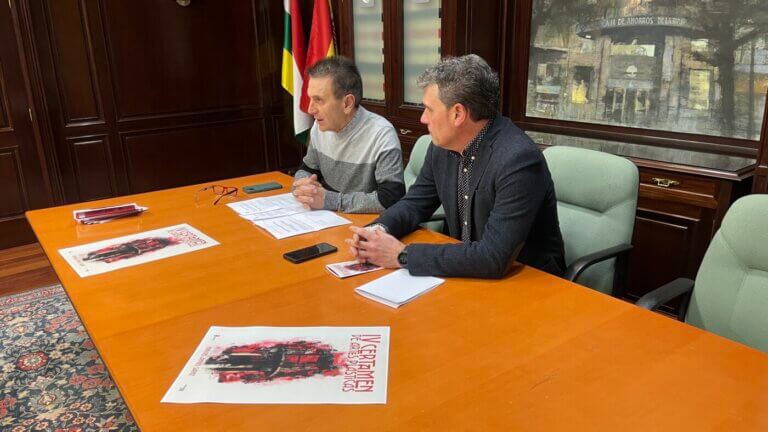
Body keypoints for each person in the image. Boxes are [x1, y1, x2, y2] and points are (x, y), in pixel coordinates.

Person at [346, 55, 565, 279]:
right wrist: (376, 232)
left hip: (529, 281)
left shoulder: (518, 160)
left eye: (429, 109)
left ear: (458, 114)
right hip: (465, 271)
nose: (423, 119)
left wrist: (402, 255)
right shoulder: (442, 147)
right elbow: (414, 204)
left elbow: (493, 257)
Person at [293, 56, 405, 213]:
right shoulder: (319, 127)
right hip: (329, 218)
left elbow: (390, 199)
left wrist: (331, 201)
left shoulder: (381, 134)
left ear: (347, 103)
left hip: (366, 223)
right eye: (310, 98)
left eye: (318, 100)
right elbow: (307, 168)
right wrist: (302, 186)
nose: (310, 109)